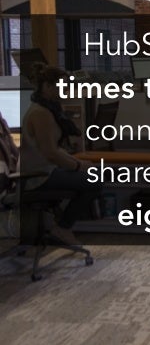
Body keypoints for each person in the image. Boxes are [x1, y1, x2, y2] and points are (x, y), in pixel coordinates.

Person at [20, 64, 100, 245]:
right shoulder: (41, 113)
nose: (66, 90)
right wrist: (78, 166)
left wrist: (76, 161)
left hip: (46, 170)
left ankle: (60, 224)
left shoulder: (49, 110)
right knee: (95, 181)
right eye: (62, 86)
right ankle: (63, 228)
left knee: (93, 175)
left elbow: (55, 149)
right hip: (39, 176)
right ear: (47, 86)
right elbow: (50, 153)